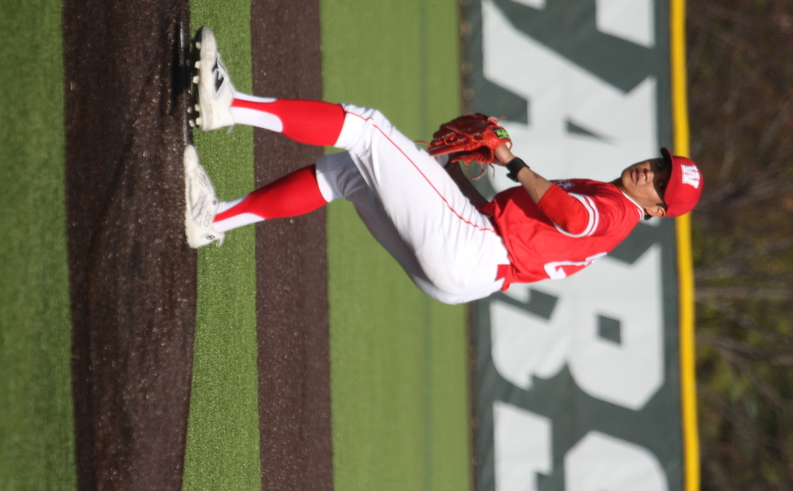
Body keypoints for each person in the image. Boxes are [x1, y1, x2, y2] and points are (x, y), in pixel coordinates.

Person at [184, 27, 703, 305]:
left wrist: (511, 161)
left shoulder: (615, 213)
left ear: (658, 209)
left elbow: (572, 217)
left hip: (474, 249)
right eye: (660, 167)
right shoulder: (612, 199)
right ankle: (214, 220)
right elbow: (520, 225)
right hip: (470, 269)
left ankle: (228, 105)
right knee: (351, 172)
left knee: (366, 127)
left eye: (661, 185)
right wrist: (440, 162)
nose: (651, 174)